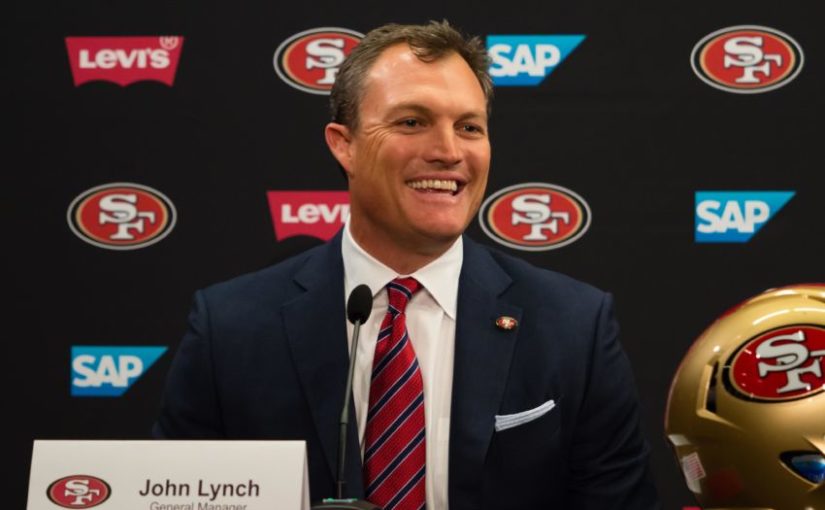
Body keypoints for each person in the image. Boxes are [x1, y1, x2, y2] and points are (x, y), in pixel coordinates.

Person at [154, 20, 661, 510]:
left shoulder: (575, 326)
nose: (448, 151)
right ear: (344, 145)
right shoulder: (230, 328)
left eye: (469, 127)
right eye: (412, 122)